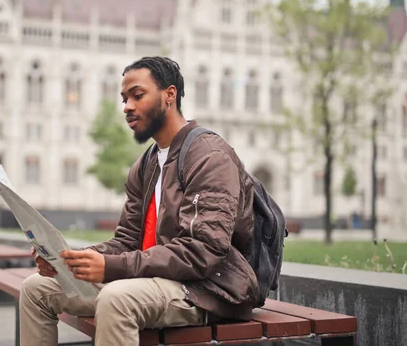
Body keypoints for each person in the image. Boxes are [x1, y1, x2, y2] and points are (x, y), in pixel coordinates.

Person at [20, 56, 259, 346]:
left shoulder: (209, 156)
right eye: (124, 99)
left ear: (169, 95)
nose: (127, 107)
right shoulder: (146, 164)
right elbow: (127, 240)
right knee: (37, 288)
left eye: (138, 95)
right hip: (153, 279)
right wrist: (71, 261)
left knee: (116, 299)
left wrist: (111, 267)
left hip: (207, 289)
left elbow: (203, 252)